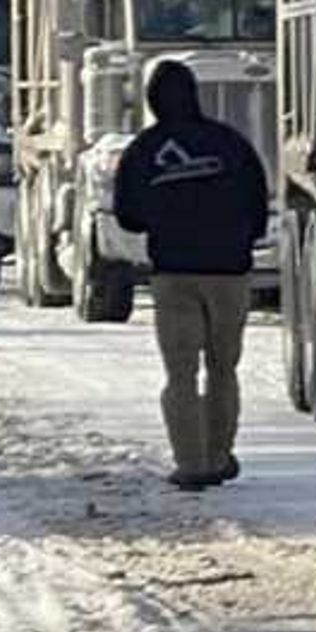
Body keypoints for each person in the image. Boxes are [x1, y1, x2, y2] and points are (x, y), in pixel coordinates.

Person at [109, 59, 270, 490]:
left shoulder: (144, 150)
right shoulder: (230, 144)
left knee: (180, 374)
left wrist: (166, 216)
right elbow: (258, 207)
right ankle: (219, 455)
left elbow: (127, 216)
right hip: (230, 273)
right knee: (223, 368)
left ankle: (191, 462)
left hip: (174, 273)